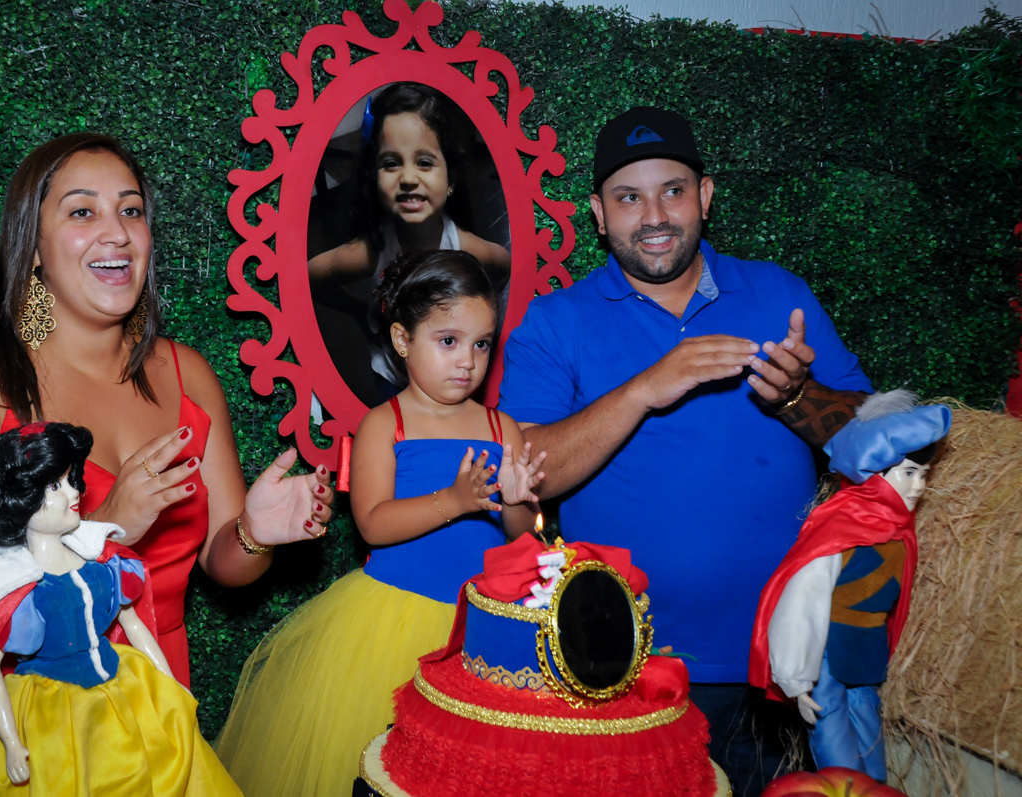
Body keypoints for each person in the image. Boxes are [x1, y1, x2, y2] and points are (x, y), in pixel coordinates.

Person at [496, 107, 875, 795]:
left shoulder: (779, 293)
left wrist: (798, 398)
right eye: (628, 197)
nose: (654, 214)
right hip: (624, 666)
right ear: (599, 214)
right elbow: (530, 469)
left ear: (704, 195)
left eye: (672, 190)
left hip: (779, 665)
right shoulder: (554, 322)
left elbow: (870, 445)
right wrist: (645, 388)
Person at [0, 132, 334, 688]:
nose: (116, 233)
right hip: (17, 719)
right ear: (34, 246)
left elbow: (222, 562)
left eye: (131, 211)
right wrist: (89, 532)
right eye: (83, 211)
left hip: (156, 712)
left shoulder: (189, 376)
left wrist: (255, 534)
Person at [216, 250, 545, 797]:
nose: (467, 360)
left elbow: (525, 538)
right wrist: (455, 499)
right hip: (389, 625)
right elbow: (371, 524)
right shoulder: (382, 425)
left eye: (481, 344)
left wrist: (517, 503)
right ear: (401, 340)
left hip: (481, 633)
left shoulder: (501, 426)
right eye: (448, 341)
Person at [0, 421, 241, 795]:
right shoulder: (17, 590)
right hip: (53, 711)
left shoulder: (102, 563)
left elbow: (134, 626)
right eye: (55, 485)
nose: (73, 492)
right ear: (20, 499)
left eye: (71, 480)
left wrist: (170, 686)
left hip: (124, 690)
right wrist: (10, 740)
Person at [750, 390, 951, 780]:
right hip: (826, 657)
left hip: (866, 655)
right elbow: (802, 601)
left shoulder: (896, 530)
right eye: (908, 473)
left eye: (923, 475)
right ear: (875, 473)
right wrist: (795, 678)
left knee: (871, 755)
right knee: (837, 754)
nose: (918, 487)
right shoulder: (840, 527)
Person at [308, 83, 510, 402]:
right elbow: (307, 277)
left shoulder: (472, 250)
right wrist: (358, 311)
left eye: (424, 162)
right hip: (392, 386)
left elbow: (505, 268)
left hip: (456, 382)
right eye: (391, 163)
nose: (408, 178)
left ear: (451, 176)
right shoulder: (369, 253)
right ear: (374, 176)